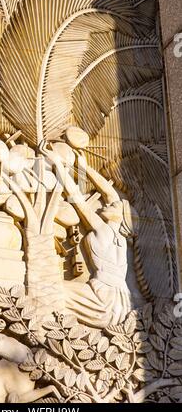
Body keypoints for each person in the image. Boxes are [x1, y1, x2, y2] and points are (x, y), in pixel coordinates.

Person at [40, 140, 139, 328]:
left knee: (51, 292)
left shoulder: (104, 229)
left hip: (103, 300)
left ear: (121, 217)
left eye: (114, 205)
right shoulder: (120, 238)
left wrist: (57, 164)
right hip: (122, 301)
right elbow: (110, 193)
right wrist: (83, 168)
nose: (107, 203)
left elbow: (76, 197)